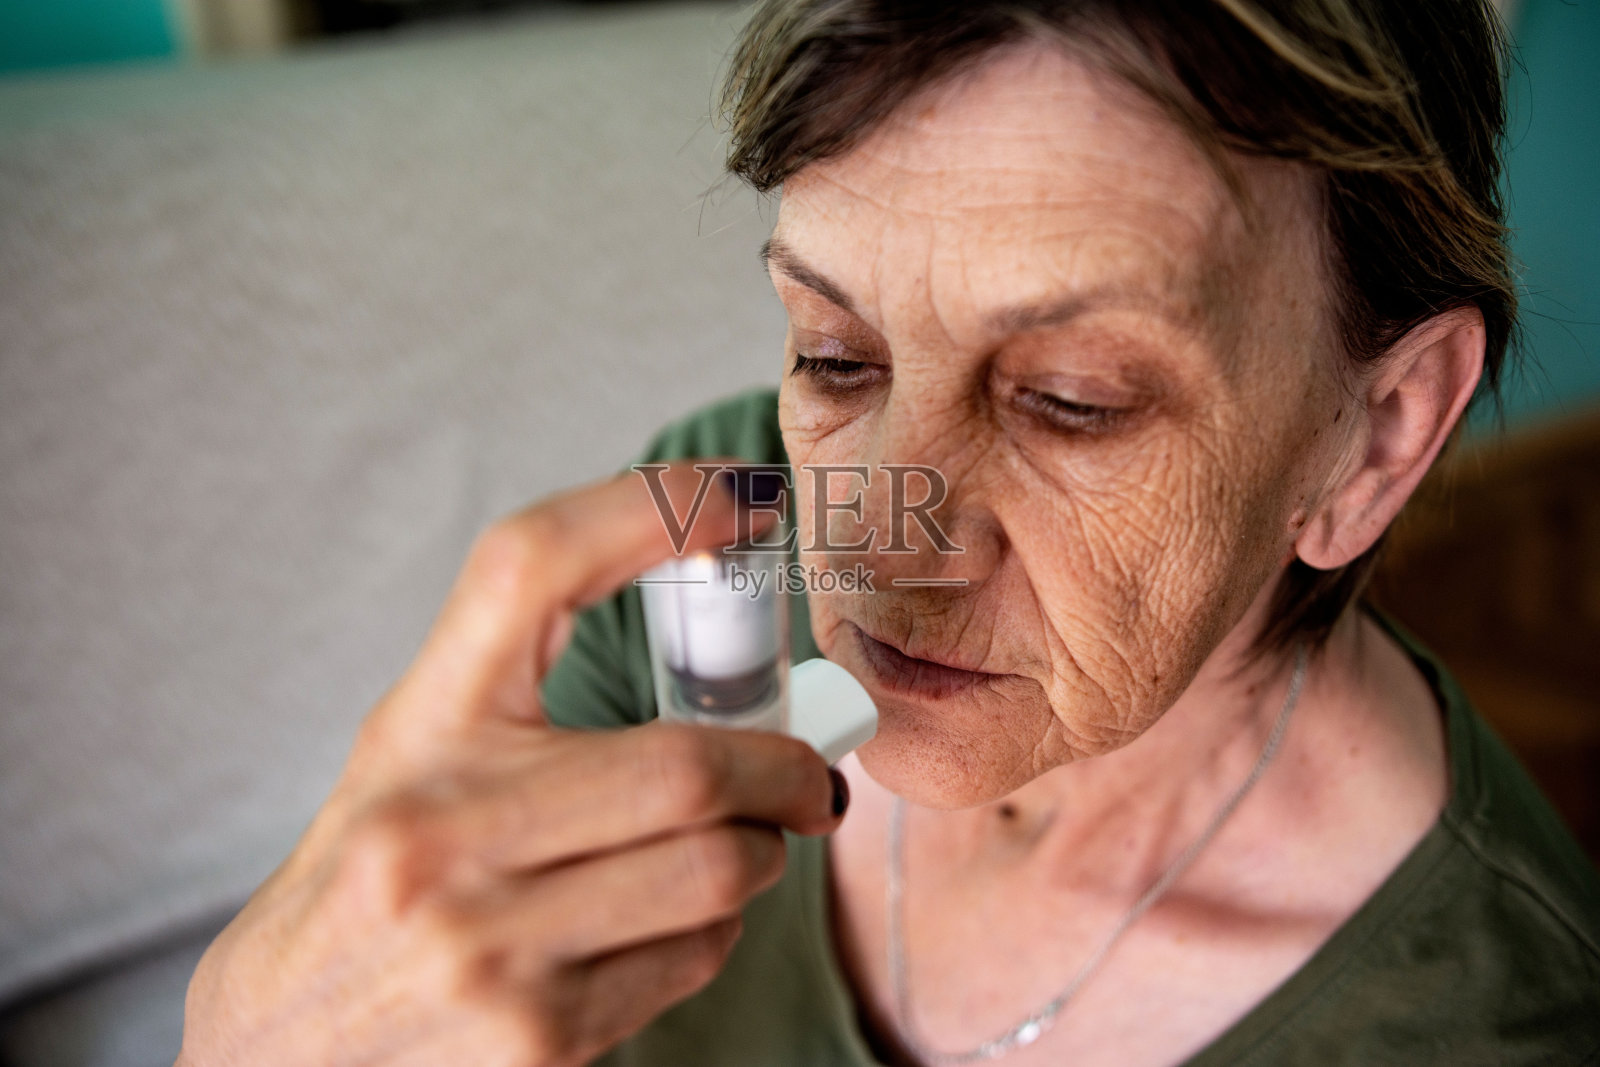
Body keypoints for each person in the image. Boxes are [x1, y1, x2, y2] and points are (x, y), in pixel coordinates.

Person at [176, 1, 1600, 1065]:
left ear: (1378, 433)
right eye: (837, 356)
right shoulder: (716, 549)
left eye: (1071, 400)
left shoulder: (1493, 1027)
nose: (871, 545)